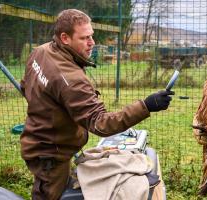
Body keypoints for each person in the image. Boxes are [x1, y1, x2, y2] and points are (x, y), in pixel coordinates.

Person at [20, 9, 174, 200]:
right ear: (65, 38)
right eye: (84, 38)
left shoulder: (40, 52)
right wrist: (146, 105)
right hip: (50, 154)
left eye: (91, 36)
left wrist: (48, 109)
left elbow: (25, 85)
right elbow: (100, 123)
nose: (92, 42)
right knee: (49, 195)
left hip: (37, 142)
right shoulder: (72, 79)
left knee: (46, 188)